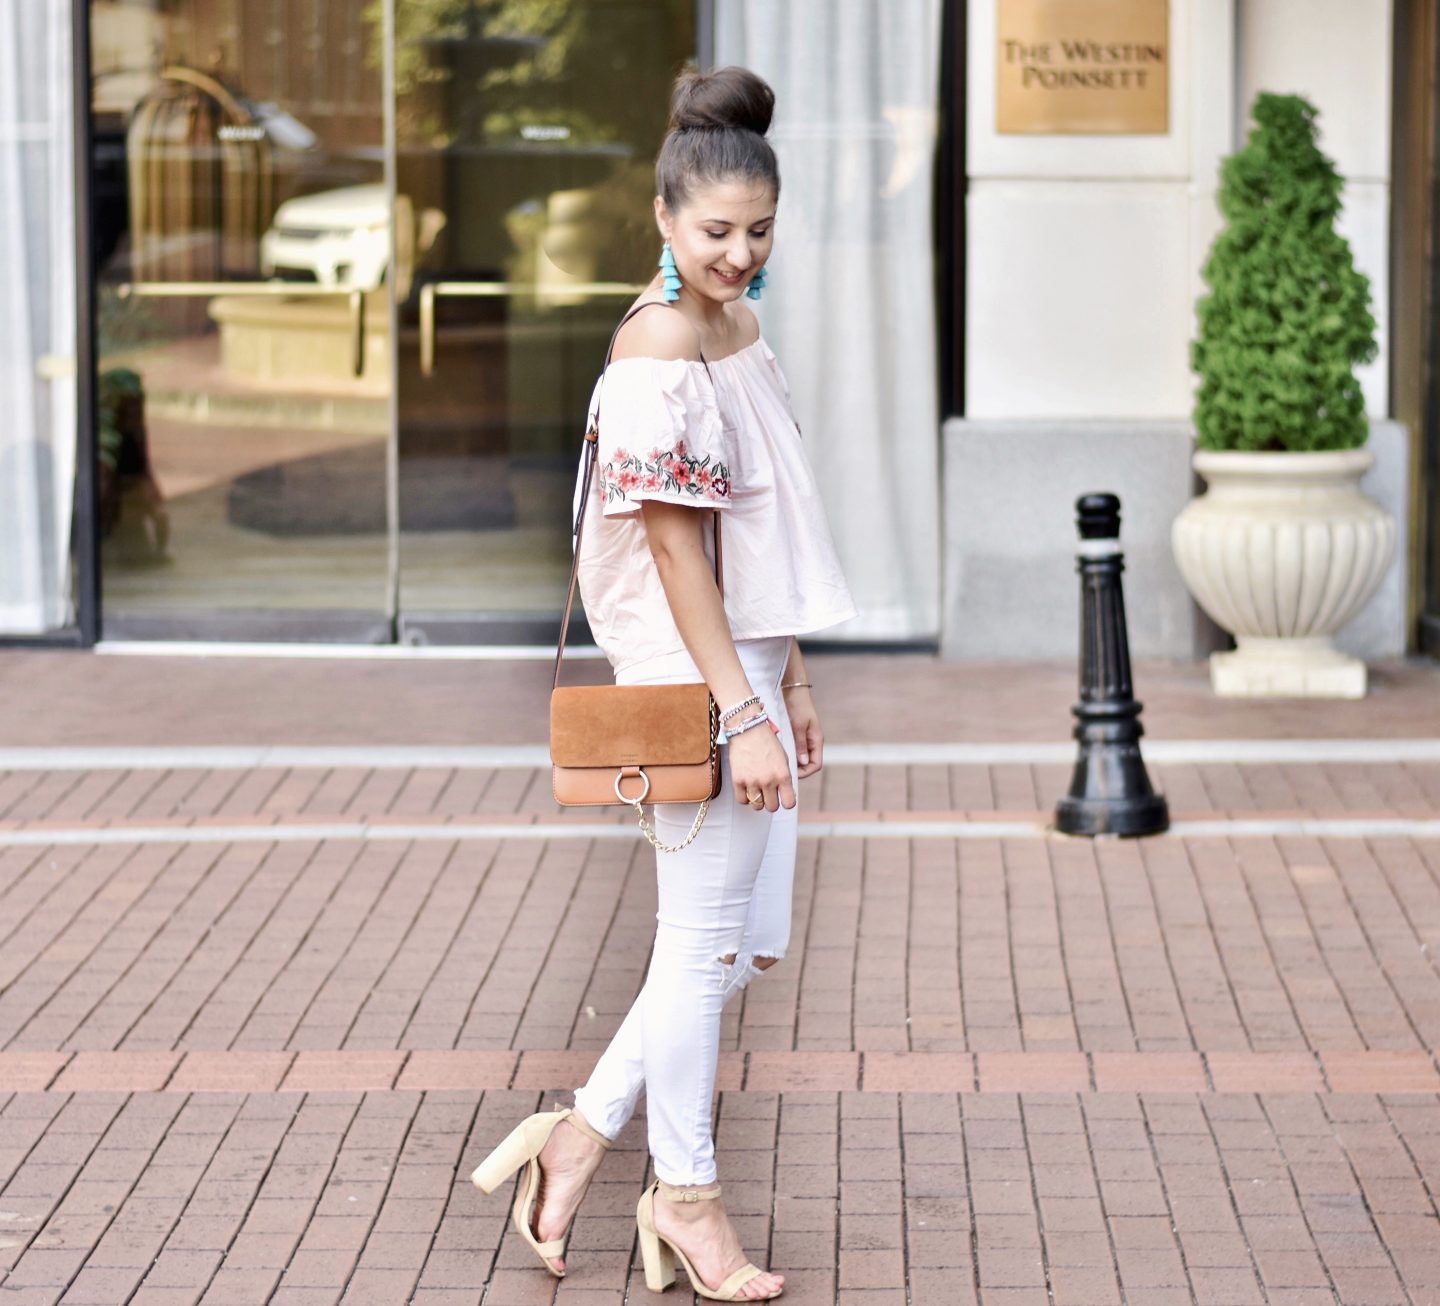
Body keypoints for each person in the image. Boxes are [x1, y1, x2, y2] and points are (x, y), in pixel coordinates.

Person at [470, 64, 857, 1302]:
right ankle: (685, 1195)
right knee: (700, 946)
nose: (738, 255)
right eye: (714, 233)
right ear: (662, 220)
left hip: (746, 665)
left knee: (734, 946)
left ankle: (577, 1137)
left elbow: (764, 533)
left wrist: (787, 678)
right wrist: (736, 705)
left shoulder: (740, 330)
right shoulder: (659, 346)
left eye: (758, 233)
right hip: (688, 671)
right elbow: (678, 550)